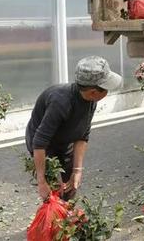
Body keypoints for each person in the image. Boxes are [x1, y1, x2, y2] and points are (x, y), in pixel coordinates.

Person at [26, 56, 122, 201]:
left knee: (70, 188)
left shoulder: (91, 101)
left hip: (65, 142)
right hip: (43, 145)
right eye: (106, 88)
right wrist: (41, 181)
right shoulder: (60, 102)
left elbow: (82, 136)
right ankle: (51, 219)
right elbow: (39, 142)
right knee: (53, 191)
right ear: (93, 92)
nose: (108, 92)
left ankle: (66, 217)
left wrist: (77, 172)